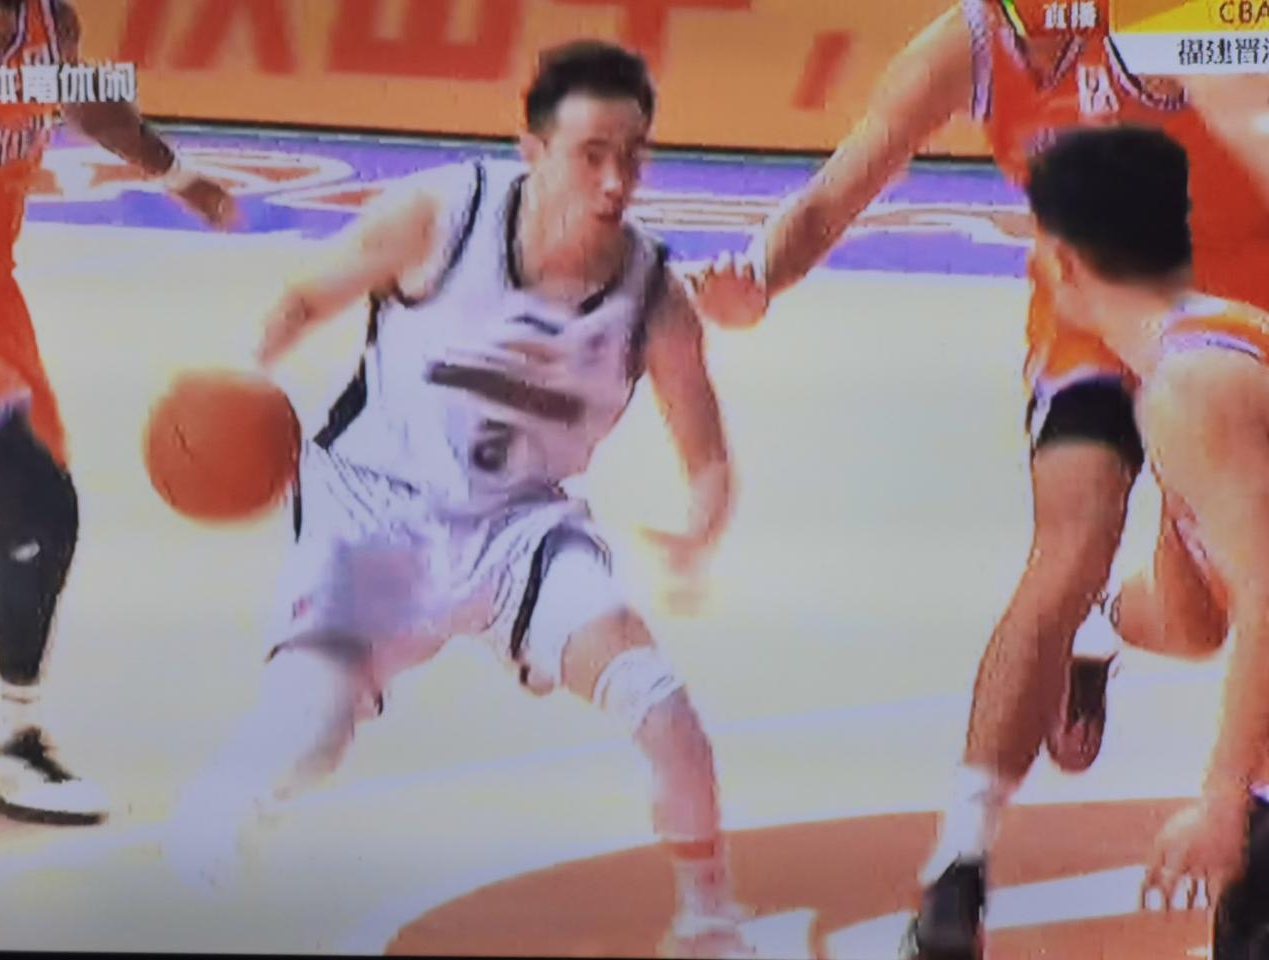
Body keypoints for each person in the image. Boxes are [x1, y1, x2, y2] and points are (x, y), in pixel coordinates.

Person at [683, 2, 1269, 954]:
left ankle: (1118, 640)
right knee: (1073, 542)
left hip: (1227, 313)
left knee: (1209, 619)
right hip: (1097, 309)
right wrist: (761, 276)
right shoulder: (967, 45)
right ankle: (960, 864)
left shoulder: (1179, 20)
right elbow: (836, 191)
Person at [161, 39, 754, 960]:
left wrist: (699, 531)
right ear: (533, 150)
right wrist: (243, 375)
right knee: (309, 731)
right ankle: (202, 857)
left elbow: (708, 457)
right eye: (592, 155)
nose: (615, 181)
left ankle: (709, 921)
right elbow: (306, 298)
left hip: (519, 527)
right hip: (375, 510)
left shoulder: (655, 299)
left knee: (664, 707)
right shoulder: (440, 218)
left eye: (633, 156)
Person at [1024, 123, 1269, 960]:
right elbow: (1199, 624)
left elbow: (1268, 593)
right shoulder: (1207, 352)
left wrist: (1222, 797)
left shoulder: (1193, 392)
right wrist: (1096, 625)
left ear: (1060, 264)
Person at [0, 0, 235, 825]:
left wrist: (176, 173)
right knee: (35, 506)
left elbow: (83, 97)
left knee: (21, 512)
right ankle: (13, 741)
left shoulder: (45, 20)